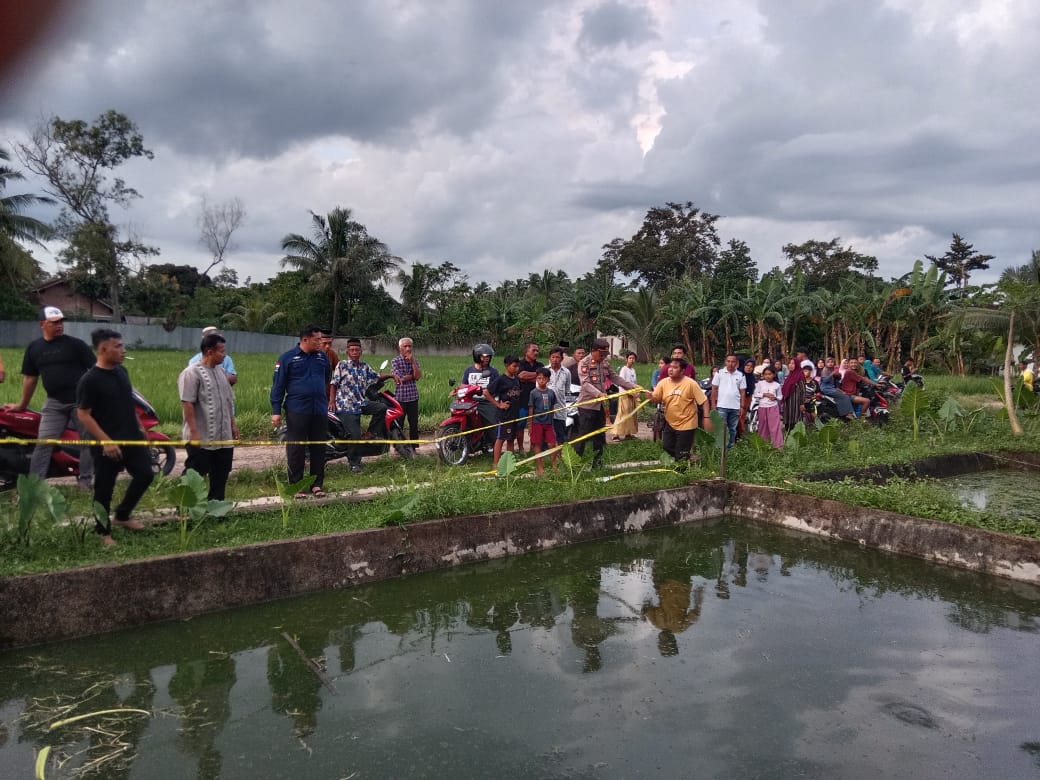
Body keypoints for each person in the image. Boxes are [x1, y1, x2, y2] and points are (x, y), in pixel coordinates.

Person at [76, 329, 154, 546]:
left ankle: (122, 516)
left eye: (122, 345)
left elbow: (128, 403)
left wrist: (140, 427)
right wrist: (106, 441)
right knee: (104, 488)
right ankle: (103, 532)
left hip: (131, 438)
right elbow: (83, 414)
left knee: (146, 474)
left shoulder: (122, 372)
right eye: (118, 346)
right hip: (107, 444)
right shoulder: (90, 380)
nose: (123, 350)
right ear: (103, 349)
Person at [5, 306, 96, 489]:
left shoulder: (75, 344)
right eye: (54, 322)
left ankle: (86, 483)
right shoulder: (34, 348)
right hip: (54, 403)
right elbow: (30, 378)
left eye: (61, 321)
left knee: (88, 442)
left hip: (80, 403)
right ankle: (34, 487)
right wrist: (22, 405)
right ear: (42, 324)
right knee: (43, 443)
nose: (59, 325)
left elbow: (96, 370)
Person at [271, 325, 332, 498]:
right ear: (305, 340)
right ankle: (297, 486)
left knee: (318, 448)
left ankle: (317, 484)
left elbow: (327, 378)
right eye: (317, 339)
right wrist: (276, 411)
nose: (320, 342)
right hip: (297, 409)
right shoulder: (287, 358)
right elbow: (278, 386)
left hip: (319, 409)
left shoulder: (322, 357)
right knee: (296, 448)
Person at [178, 331, 237, 500]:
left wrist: (232, 425)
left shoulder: (221, 372)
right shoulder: (191, 373)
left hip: (223, 435)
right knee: (195, 472)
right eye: (221, 351)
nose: (224, 355)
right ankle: (184, 507)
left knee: (221, 472)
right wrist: (193, 431)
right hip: (201, 435)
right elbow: (187, 403)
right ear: (209, 351)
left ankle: (216, 508)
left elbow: (228, 401)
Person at [574, 338, 640, 467]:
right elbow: (585, 383)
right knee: (582, 436)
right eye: (601, 354)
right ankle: (575, 465)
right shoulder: (584, 363)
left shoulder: (605, 362)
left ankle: (597, 464)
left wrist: (631, 386)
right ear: (593, 350)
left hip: (600, 407)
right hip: (587, 406)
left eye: (605, 354)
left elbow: (615, 377)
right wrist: (598, 394)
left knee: (599, 437)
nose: (603, 356)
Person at [330, 337, 392, 475]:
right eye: (351, 350)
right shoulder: (342, 365)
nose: (354, 352)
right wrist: (332, 401)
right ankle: (354, 464)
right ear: (347, 351)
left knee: (381, 408)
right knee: (355, 435)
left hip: (360, 402)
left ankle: (371, 432)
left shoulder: (364, 366)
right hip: (345, 405)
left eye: (357, 350)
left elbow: (377, 376)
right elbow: (333, 384)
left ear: (361, 351)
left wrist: (392, 375)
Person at [649, 356, 711, 464]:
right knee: (667, 446)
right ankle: (686, 458)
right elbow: (656, 398)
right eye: (670, 367)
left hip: (687, 423)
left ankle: (682, 473)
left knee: (681, 452)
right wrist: (651, 397)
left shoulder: (691, 384)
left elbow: (704, 401)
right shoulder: (663, 383)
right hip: (670, 422)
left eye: (675, 367)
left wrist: (706, 417)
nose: (670, 369)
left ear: (682, 371)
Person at [486, 355, 522, 468]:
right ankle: (496, 463)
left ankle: (509, 462)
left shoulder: (516, 379)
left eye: (518, 366)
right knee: (501, 438)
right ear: (507, 366)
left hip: (514, 414)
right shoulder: (501, 379)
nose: (516, 369)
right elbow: (486, 392)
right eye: (514, 366)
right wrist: (498, 404)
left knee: (511, 438)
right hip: (504, 416)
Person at [391, 337, 422, 452]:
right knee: (399, 424)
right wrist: (411, 376)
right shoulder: (395, 361)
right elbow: (400, 379)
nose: (408, 348)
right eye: (405, 346)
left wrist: (413, 362)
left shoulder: (415, 360)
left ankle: (414, 447)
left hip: (413, 397)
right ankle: (398, 448)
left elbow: (418, 376)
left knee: (414, 423)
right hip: (400, 397)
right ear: (400, 348)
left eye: (410, 346)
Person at [528, 367, 559, 475]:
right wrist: (530, 424)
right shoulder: (533, 393)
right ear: (536, 379)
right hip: (537, 422)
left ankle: (554, 464)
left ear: (548, 380)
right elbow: (531, 409)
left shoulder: (551, 393)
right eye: (539, 378)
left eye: (544, 379)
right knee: (537, 444)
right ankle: (540, 467)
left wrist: (551, 420)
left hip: (548, 423)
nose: (541, 381)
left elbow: (552, 408)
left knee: (552, 443)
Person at [710, 354, 746, 448]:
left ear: (736, 363)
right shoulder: (719, 373)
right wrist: (713, 405)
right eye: (728, 361)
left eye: (733, 361)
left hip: (735, 407)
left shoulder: (741, 375)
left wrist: (742, 407)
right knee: (720, 428)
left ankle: (730, 448)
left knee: (732, 429)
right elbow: (714, 389)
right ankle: (720, 449)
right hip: (722, 406)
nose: (730, 363)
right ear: (725, 362)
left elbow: (742, 392)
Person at [514, 342, 543, 456]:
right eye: (533, 350)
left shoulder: (540, 364)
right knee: (520, 425)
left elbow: (542, 379)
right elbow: (521, 376)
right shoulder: (519, 364)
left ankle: (533, 447)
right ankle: (521, 448)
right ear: (526, 352)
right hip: (522, 400)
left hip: (537, 401)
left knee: (536, 425)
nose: (536, 352)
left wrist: (529, 377)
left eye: (537, 351)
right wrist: (536, 376)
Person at [463, 343, 500, 430]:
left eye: (488, 356)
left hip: (486, 401)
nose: (487, 358)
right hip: (471, 401)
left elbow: (497, 388)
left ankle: (491, 442)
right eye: (484, 356)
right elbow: (464, 384)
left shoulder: (493, 372)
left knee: (492, 423)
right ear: (477, 356)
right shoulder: (468, 370)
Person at [753, 366, 784, 448]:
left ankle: (778, 446)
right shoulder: (760, 384)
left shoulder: (777, 385)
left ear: (774, 375)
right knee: (762, 426)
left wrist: (775, 397)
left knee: (775, 426)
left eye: (769, 374)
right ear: (763, 375)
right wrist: (764, 394)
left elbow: (780, 396)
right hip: (762, 407)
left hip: (773, 407)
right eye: (766, 374)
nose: (768, 376)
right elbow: (756, 394)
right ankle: (762, 445)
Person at [612, 351, 639, 440]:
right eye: (630, 358)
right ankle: (616, 434)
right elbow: (622, 383)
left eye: (633, 358)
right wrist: (631, 392)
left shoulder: (633, 370)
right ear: (626, 359)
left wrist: (637, 391)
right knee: (622, 414)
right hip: (624, 394)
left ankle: (628, 433)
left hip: (632, 395)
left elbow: (634, 383)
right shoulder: (624, 369)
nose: (631, 360)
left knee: (630, 415)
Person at [547, 346, 572, 444]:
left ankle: (561, 454)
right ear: (549, 358)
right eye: (553, 357)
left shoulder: (566, 372)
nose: (555, 360)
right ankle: (546, 455)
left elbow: (567, 390)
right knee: (546, 433)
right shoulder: (544, 371)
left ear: (562, 359)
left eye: (557, 357)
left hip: (560, 408)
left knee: (560, 434)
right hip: (546, 409)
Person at [780, 358, 803, 430]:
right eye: (789, 363)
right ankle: (787, 434)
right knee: (788, 418)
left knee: (795, 419)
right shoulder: (789, 376)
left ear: (797, 365)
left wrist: (802, 403)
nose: (790, 365)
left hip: (796, 402)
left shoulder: (800, 375)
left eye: (793, 363)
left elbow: (802, 390)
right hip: (787, 401)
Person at [738, 358, 757, 437]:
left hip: (748, 398)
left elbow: (752, 388)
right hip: (738, 398)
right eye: (747, 365)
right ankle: (737, 432)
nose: (749, 368)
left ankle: (741, 432)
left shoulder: (752, 377)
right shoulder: (739, 375)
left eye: (751, 366)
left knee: (743, 415)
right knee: (738, 415)